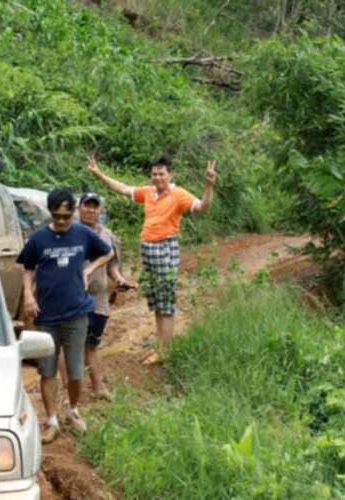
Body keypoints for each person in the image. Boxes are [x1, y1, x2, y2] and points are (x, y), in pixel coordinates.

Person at [87, 154, 216, 361]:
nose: (157, 177)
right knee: (156, 302)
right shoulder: (148, 192)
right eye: (154, 174)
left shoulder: (179, 194)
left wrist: (208, 185)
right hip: (148, 250)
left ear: (170, 174)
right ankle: (161, 347)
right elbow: (122, 188)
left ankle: (165, 351)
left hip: (165, 248)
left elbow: (202, 207)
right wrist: (98, 173)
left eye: (161, 174)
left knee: (165, 303)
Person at [16, 187, 114, 443]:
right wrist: (28, 295)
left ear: (73, 213)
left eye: (66, 217)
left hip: (76, 313)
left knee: (75, 372)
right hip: (46, 316)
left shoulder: (83, 233)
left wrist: (88, 269)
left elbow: (107, 252)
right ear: (50, 213)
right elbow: (28, 268)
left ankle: (73, 409)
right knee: (47, 371)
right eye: (56, 216)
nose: (61, 222)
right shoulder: (38, 239)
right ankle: (51, 420)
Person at [74, 192, 130, 400]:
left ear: (100, 210)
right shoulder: (69, 231)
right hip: (73, 298)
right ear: (79, 208)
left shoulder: (107, 235)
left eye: (94, 206)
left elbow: (112, 266)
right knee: (71, 345)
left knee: (92, 344)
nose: (90, 210)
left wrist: (119, 279)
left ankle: (98, 387)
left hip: (98, 298)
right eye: (86, 206)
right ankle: (72, 393)